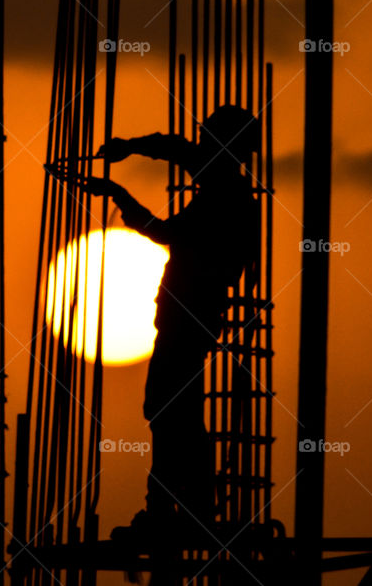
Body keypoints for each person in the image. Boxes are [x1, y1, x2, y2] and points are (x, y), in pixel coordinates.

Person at [80, 105, 260, 546]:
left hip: (189, 320)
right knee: (172, 410)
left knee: (168, 409)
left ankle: (180, 508)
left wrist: (118, 194)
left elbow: (164, 231)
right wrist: (131, 147)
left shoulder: (225, 200)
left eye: (209, 141)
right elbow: (177, 149)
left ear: (225, 146)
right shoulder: (224, 185)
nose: (198, 152)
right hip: (186, 318)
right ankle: (180, 506)